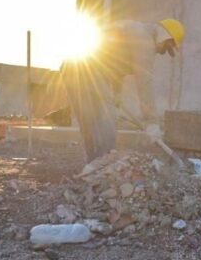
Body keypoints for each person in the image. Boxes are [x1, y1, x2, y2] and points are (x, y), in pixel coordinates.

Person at [63, 18, 185, 162]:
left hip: (71, 67)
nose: (162, 52)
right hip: (87, 69)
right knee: (106, 119)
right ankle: (103, 163)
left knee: (90, 120)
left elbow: (114, 67)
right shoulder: (144, 39)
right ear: (165, 36)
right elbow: (144, 81)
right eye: (167, 47)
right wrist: (151, 121)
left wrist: (117, 93)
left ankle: (93, 164)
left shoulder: (135, 31)